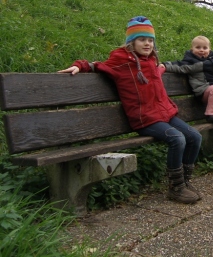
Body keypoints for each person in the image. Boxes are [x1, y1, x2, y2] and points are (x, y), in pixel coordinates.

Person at [58, 16, 202, 204]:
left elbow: (157, 71)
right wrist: (79, 66)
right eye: (142, 39)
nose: (147, 44)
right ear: (131, 42)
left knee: (195, 136)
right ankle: (176, 187)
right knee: (177, 138)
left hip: (164, 113)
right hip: (145, 119)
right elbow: (98, 65)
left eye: (150, 40)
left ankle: (184, 181)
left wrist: (164, 67)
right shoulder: (121, 62)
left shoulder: (151, 61)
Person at [163, 35, 213, 123]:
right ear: (192, 49)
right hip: (203, 92)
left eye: (205, 48)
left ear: (209, 50)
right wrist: (165, 65)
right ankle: (211, 114)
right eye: (198, 47)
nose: (201, 50)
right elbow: (179, 66)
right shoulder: (192, 63)